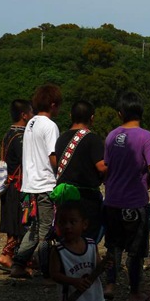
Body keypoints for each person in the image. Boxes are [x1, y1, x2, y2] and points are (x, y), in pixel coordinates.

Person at [103, 92, 150, 301]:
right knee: (136, 251)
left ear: (120, 113)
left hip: (111, 200)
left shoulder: (111, 136)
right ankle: (134, 292)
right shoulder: (147, 137)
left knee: (113, 247)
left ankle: (110, 285)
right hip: (135, 202)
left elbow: (107, 167)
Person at [10, 84, 62, 279]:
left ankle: (18, 264)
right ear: (53, 104)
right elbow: (53, 156)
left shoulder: (31, 123)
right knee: (46, 231)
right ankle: (48, 271)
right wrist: (61, 174)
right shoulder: (50, 126)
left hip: (29, 184)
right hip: (45, 183)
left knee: (34, 228)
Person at [54, 100, 106, 241]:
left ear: (71, 116)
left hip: (64, 196)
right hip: (86, 198)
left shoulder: (61, 138)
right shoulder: (92, 138)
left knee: (67, 236)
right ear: (92, 118)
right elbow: (101, 166)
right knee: (87, 238)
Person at [0, 99, 33, 271]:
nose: (32, 116)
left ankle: (11, 256)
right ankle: (6, 255)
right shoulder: (21, 137)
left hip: (8, 184)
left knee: (12, 220)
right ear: (24, 115)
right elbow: (26, 162)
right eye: (31, 113)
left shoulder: (8, 133)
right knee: (19, 221)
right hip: (18, 185)